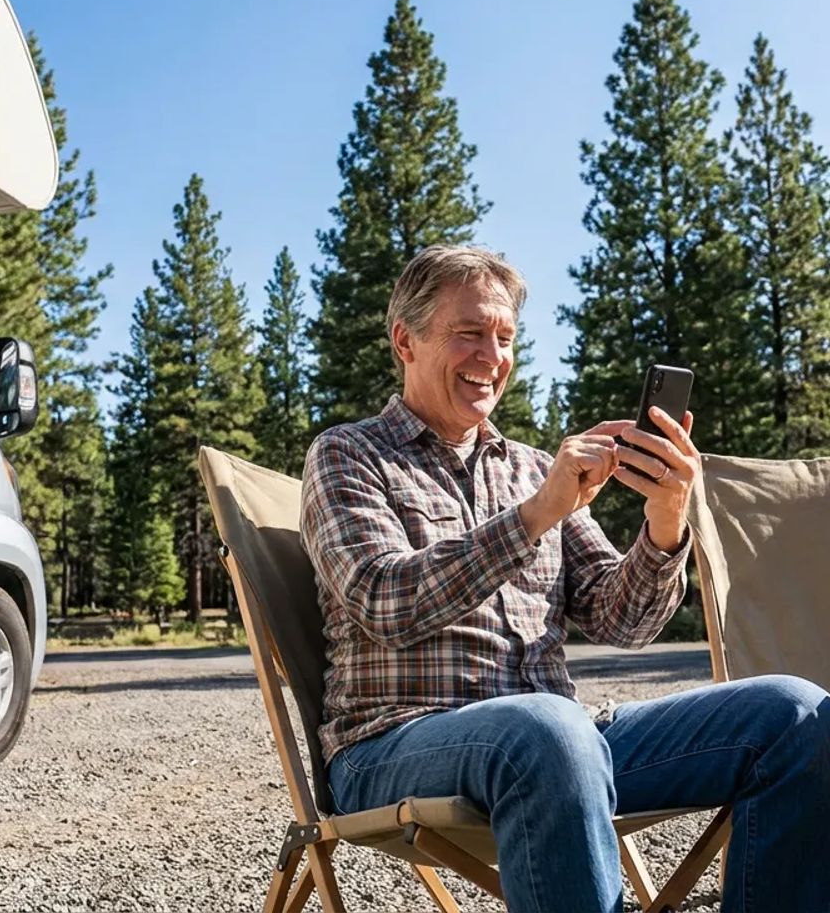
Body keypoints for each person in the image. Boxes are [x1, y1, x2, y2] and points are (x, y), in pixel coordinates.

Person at [300, 245, 830, 913]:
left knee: (797, 712)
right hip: (396, 744)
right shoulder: (349, 455)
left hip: (564, 747)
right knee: (548, 729)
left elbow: (622, 620)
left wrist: (664, 522)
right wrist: (534, 516)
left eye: (504, 338)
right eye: (469, 334)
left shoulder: (527, 468)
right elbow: (384, 600)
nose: (491, 357)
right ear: (405, 340)